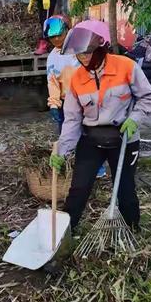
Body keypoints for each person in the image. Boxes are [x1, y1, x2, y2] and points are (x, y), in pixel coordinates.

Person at [49, 20, 151, 231]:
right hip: (91, 138)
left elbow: (148, 98)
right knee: (79, 187)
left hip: (123, 137)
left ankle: (133, 228)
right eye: (79, 55)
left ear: (101, 48)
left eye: (87, 53)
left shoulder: (126, 66)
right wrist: (62, 150)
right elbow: (72, 119)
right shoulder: (77, 79)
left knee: (125, 187)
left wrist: (134, 119)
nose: (83, 58)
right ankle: (66, 232)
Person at [45, 15, 107, 179]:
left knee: (92, 133)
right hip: (67, 102)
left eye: (60, 34)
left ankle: (98, 167)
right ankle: (72, 165)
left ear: (68, 31)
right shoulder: (52, 57)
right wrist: (53, 103)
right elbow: (52, 81)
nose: (57, 39)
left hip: (87, 100)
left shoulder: (79, 48)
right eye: (52, 37)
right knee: (68, 134)